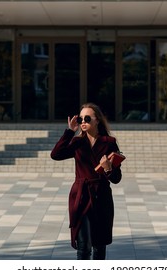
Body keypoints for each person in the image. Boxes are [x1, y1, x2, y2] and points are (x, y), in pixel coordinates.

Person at [51, 103, 122, 260]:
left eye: (87, 118)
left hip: (102, 198)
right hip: (81, 197)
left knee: (99, 246)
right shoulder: (77, 142)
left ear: (97, 120)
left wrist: (108, 168)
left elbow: (117, 178)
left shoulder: (109, 142)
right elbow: (55, 154)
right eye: (81, 118)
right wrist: (70, 131)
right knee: (83, 246)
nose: (83, 121)